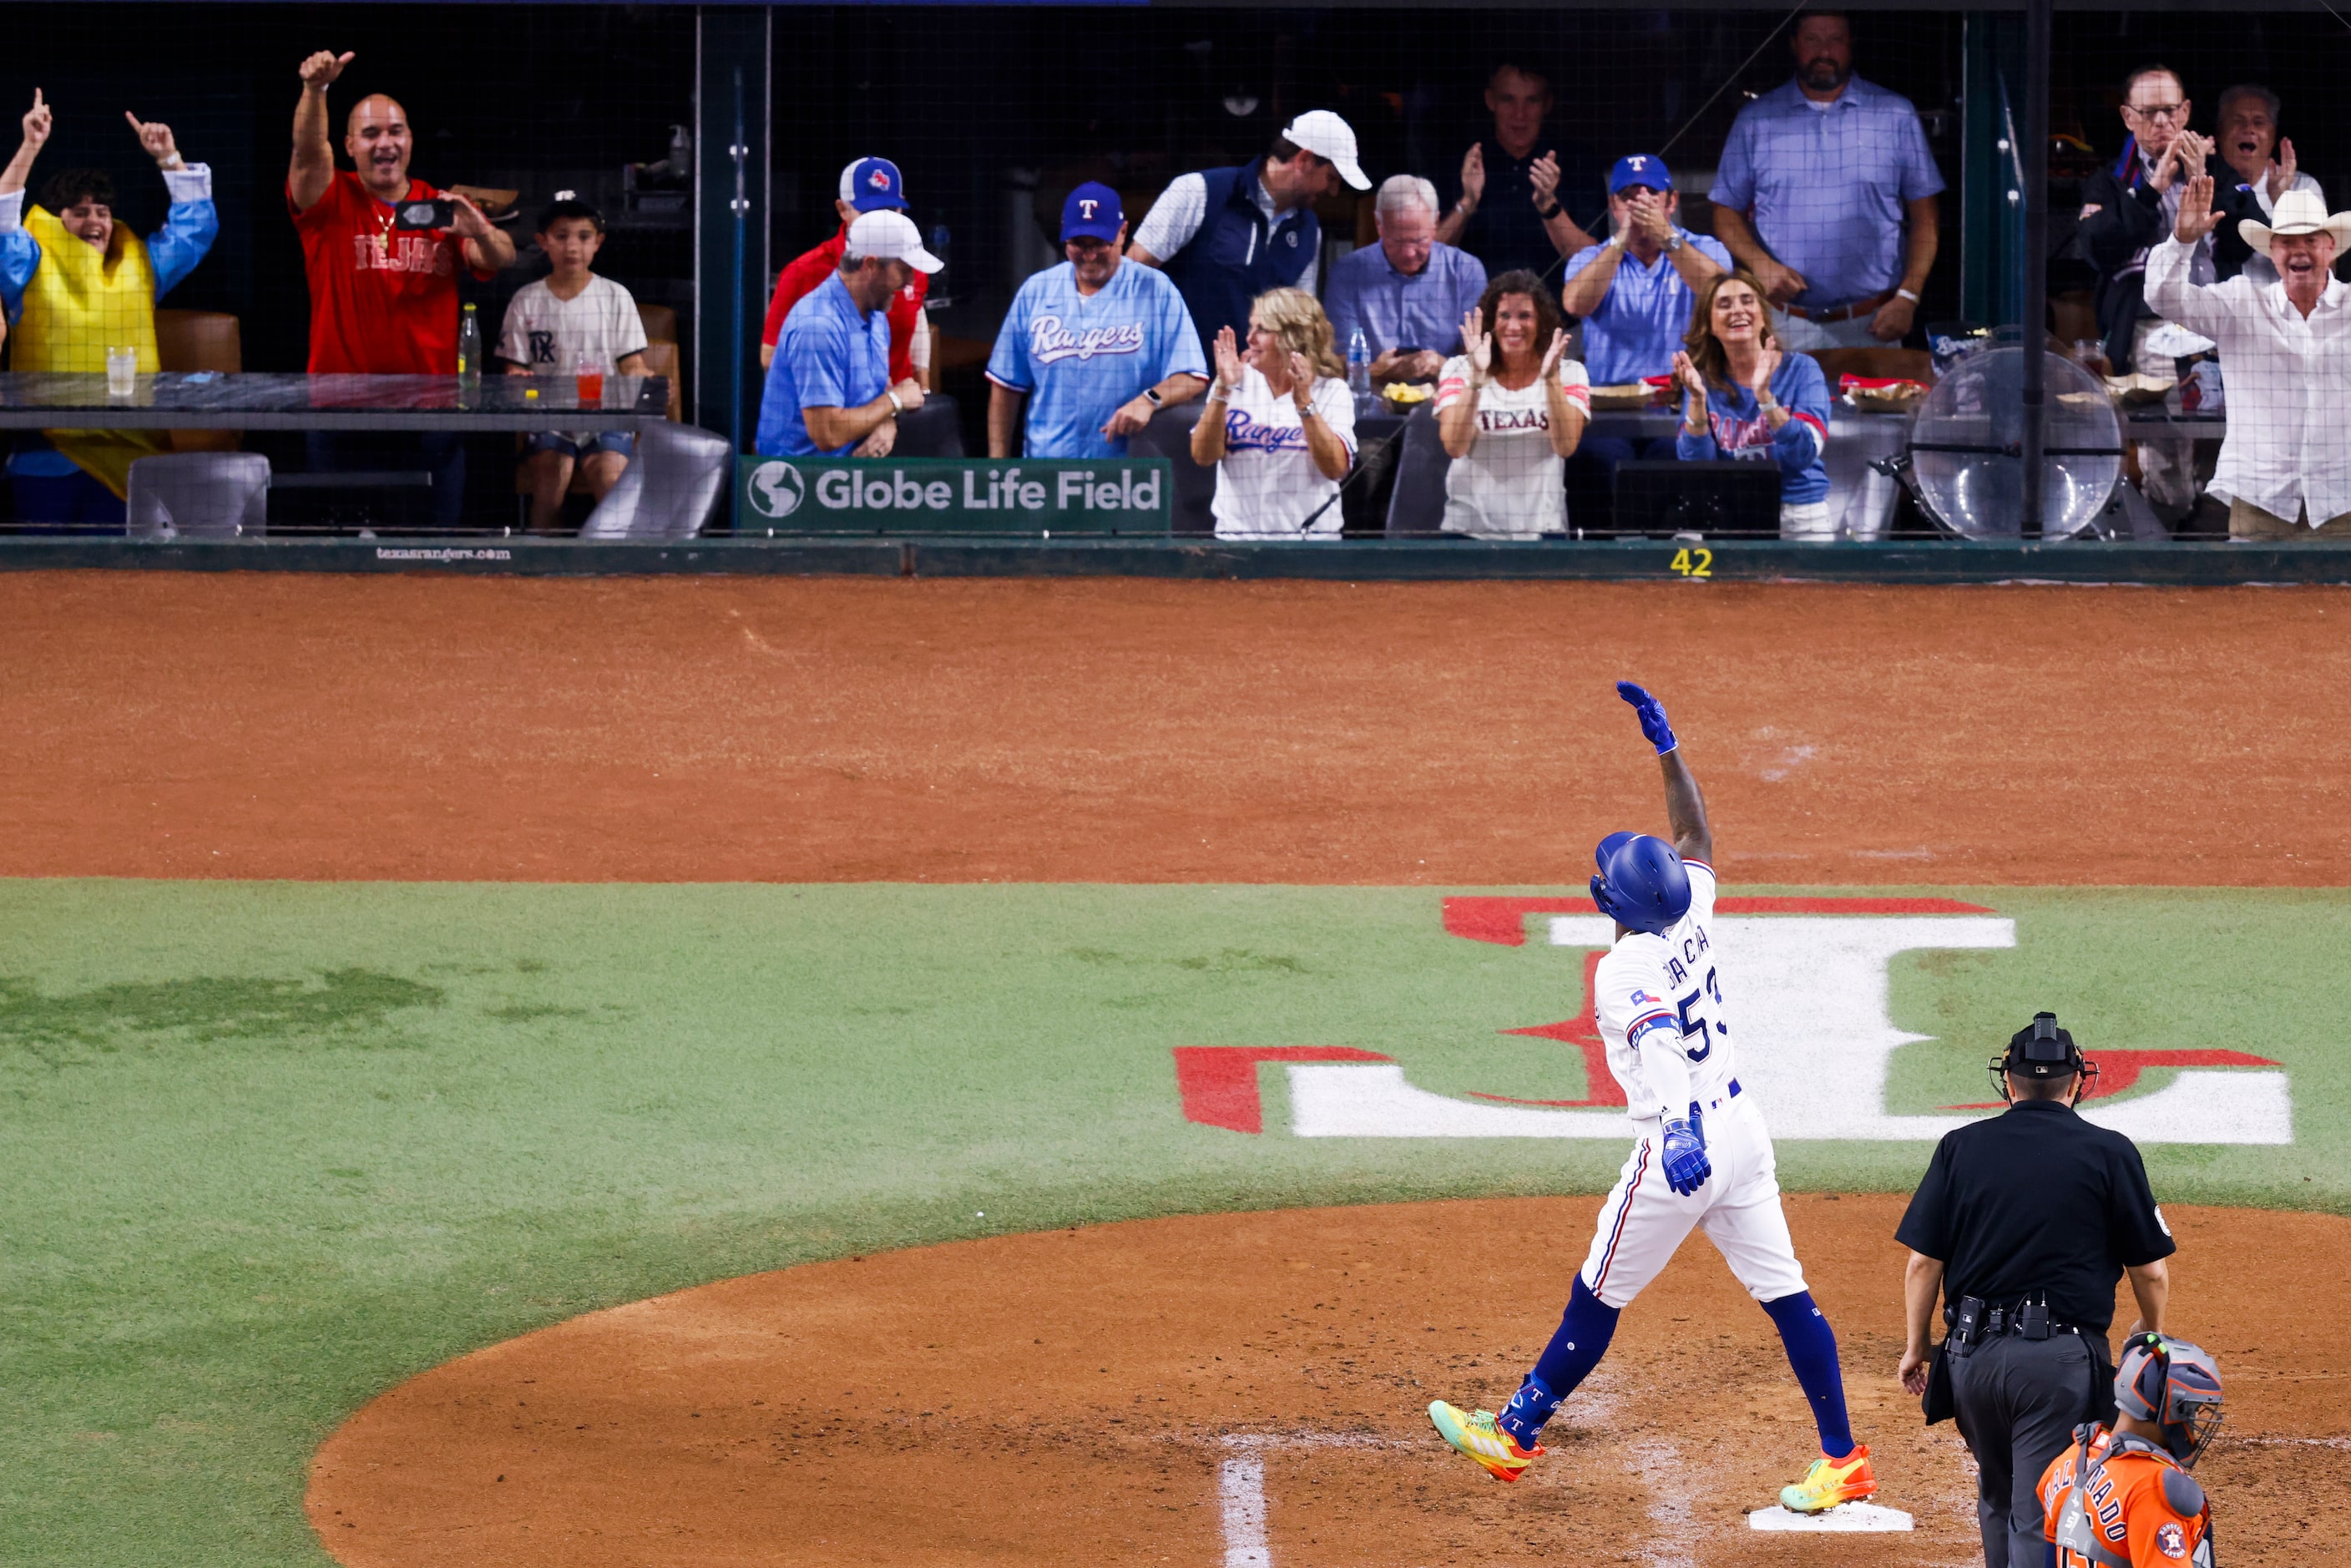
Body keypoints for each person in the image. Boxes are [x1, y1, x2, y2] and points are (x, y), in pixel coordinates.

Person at [1429, 685, 1878, 1520]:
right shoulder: (1691, 905)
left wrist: (1674, 1130)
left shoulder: (1622, 969)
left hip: (1685, 1146)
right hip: (1741, 1130)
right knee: (1787, 1296)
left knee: (1596, 1291)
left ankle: (1517, 1431)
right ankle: (1842, 1458)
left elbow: (1657, 1045)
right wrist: (1667, 751)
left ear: (1605, 904)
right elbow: (1694, 835)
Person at [1894, 1012, 2177, 1568]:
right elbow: (2150, 1271)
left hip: (1969, 1363)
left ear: (2008, 1082)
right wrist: (2153, 1332)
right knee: (2040, 1513)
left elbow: (1923, 1263)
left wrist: (1915, 1346)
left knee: (1998, 1499)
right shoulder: (2109, 1151)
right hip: (2056, 1370)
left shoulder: (1960, 1147)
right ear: (2077, 1082)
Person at [287, 50, 517, 529]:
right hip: (339, 404)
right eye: (370, 133)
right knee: (343, 553)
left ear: (410, 140)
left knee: (432, 550)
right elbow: (309, 153)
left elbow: (501, 259)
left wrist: (478, 230)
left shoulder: (443, 207)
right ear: (349, 145)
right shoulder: (331, 201)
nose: (384, 142)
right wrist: (316, 90)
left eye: (395, 131)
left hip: (429, 408)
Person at [0, 89, 215, 527]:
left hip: (128, 457)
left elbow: (195, 228)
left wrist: (169, 158)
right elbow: (1, 221)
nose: (95, 221)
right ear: (56, 220)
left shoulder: (141, 265)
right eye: (79, 212)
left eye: (102, 211)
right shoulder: (27, 262)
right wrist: (30, 148)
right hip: (45, 455)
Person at [1708, 13, 1943, 349]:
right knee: (1779, 405)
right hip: (1780, 325)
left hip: (1874, 324)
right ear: (1794, 45)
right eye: (1812, 40)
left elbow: (1927, 218)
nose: (1824, 52)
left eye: (1835, 40)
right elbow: (1724, 213)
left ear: (1851, 45)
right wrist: (1761, 266)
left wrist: (1909, 296)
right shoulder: (1756, 121)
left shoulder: (1895, 115)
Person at [2149, 176, 2351, 539]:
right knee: (2253, 598)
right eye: (2287, 242)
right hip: (2261, 501)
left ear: (2331, 248)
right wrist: (2181, 242)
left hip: (2343, 502)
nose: (2299, 251)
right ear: (2272, 251)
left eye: (2311, 240)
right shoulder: (2241, 304)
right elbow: (2163, 297)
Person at [985, 181, 1206, 460]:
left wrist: (1149, 400)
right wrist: (998, 465)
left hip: (1129, 472)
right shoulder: (1036, 291)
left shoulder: (1156, 289)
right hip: (1046, 469)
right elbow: (1006, 385)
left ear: (1122, 232)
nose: (1089, 255)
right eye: (1079, 244)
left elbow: (1191, 376)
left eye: (1099, 244)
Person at [1129, 111, 1370, 360]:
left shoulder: (1310, 231)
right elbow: (1131, 276)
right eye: (1331, 178)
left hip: (1259, 390)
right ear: (1305, 159)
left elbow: (1299, 322)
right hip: (1175, 379)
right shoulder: (1198, 191)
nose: (1333, 192)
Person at [495, 195, 650, 534]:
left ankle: (617, 570)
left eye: (583, 236)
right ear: (543, 243)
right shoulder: (526, 299)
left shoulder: (615, 296)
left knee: (609, 477)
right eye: (561, 236)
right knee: (551, 479)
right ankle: (543, 569)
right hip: (550, 418)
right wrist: (519, 379)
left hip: (605, 416)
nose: (572, 246)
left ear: (598, 243)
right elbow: (513, 369)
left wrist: (646, 381)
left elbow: (632, 364)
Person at [756, 210, 938, 459]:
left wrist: (888, 421)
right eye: (904, 269)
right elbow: (828, 433)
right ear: (870, 265)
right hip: (798, 481)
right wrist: (895, 401)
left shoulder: (875, 315)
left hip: (852, 472)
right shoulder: (818, 327)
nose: (910, 282)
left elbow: (877, 391)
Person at [1670, 271, 1833, 539]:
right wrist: (1698, 400)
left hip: (1798, 512)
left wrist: (1765, 398)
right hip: (1728, 512)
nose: (1738, 310)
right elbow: (1696, 466)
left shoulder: (1802, 369)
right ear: (1709, 324)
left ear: (1762, 315)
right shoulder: (1701, 380)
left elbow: (1804, 453)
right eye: (1724, 304)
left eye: (1748, 301)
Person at [2036, 1336, 2222, 1568]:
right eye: (2190, 1409)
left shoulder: (2068, 1460)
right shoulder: (2153, 1488)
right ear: (2168, 1407)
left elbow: (2049, 1558)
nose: (2193, 1420)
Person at [1189, 286, 1355, 539]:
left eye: (1262, 330)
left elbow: (1335, 468)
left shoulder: (1331, 390)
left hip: (1310, 545)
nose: (1250, 338)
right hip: (1237, 542)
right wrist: (1223, 389)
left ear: (1294, 337)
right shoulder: (1234, 381)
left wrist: (1305, 405)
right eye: (1251, 328)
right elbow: (1203, 456)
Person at [1432, 271, 1590, 537]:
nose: (1513, 326)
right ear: (1492, 321)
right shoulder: (1458, 370)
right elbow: (1455, 446)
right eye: (1504, 315)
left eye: (1524, 316)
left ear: (1541, 322)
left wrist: (1550, 378)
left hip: (1542, 531)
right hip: (1467, 531)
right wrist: (1477, 379)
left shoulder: (1569, 372)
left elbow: (1565, 446)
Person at [2078, 67, 2210, 376]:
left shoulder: (2217, 168)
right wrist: (2150, 193)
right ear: (2127, 117)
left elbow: (2242, 244)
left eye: (2169, 110)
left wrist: (2203, 182)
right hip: (2149, 331)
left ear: (2186, 111)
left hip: (2215, 325)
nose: (2162, 121)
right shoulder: (2108, 182)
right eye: (2149, 112)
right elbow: (2094, 249)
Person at [1561, 156, 1730, 386]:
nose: (1639, 206)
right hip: (1613, 400)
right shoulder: (1591, 258)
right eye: (1628, 198)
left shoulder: (1705, 247)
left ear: (1672, 201)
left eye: (1650, 195)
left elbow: (1723, 294)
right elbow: (1575, 305)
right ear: (1613, 206)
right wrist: (1621, 241)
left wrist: (1666, 237)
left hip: (1688, 396)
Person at [759, 157, 928, 385]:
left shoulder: (910, 265)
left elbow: (917, 329)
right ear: (843, 210)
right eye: (869, 211)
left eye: (890, 210)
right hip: (834, 410)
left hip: (899, 406)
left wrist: (924, 391)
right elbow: (770, 356)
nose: (881, 221)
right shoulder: (804, 271)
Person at [1435, 64, 1599, 280]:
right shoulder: (1461, 162)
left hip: (1555, 310)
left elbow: (1598, 265)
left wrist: (1549, 207)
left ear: (1547, 104)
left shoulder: (1578, 162)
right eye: (1508, 99)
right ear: (1490, 100)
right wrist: (1467, 203)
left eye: (1532, 100)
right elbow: (1426, 262)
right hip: (1477, 309)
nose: (1519, 114)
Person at [1323, 175, 1487, 388]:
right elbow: (1336, 359)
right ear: (1379, 225)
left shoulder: (1466, 271)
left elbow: (1477, 360)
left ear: (1436, 223)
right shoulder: (1348, 273)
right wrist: (1373, 371)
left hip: (1447, 396)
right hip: (1370, 398)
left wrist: (1443, 366)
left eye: (1420, 241)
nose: (1409, 254)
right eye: (1397, 242)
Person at [2208, 84, 2322, 286]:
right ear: (2219, 131)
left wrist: (2282, 201)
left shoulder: (2302, 188)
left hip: (2278, 315)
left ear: (2272, 136)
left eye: (2259, 123)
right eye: (2237, 121)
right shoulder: (2199, 185)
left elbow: (2325, 273)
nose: (2249, 129)